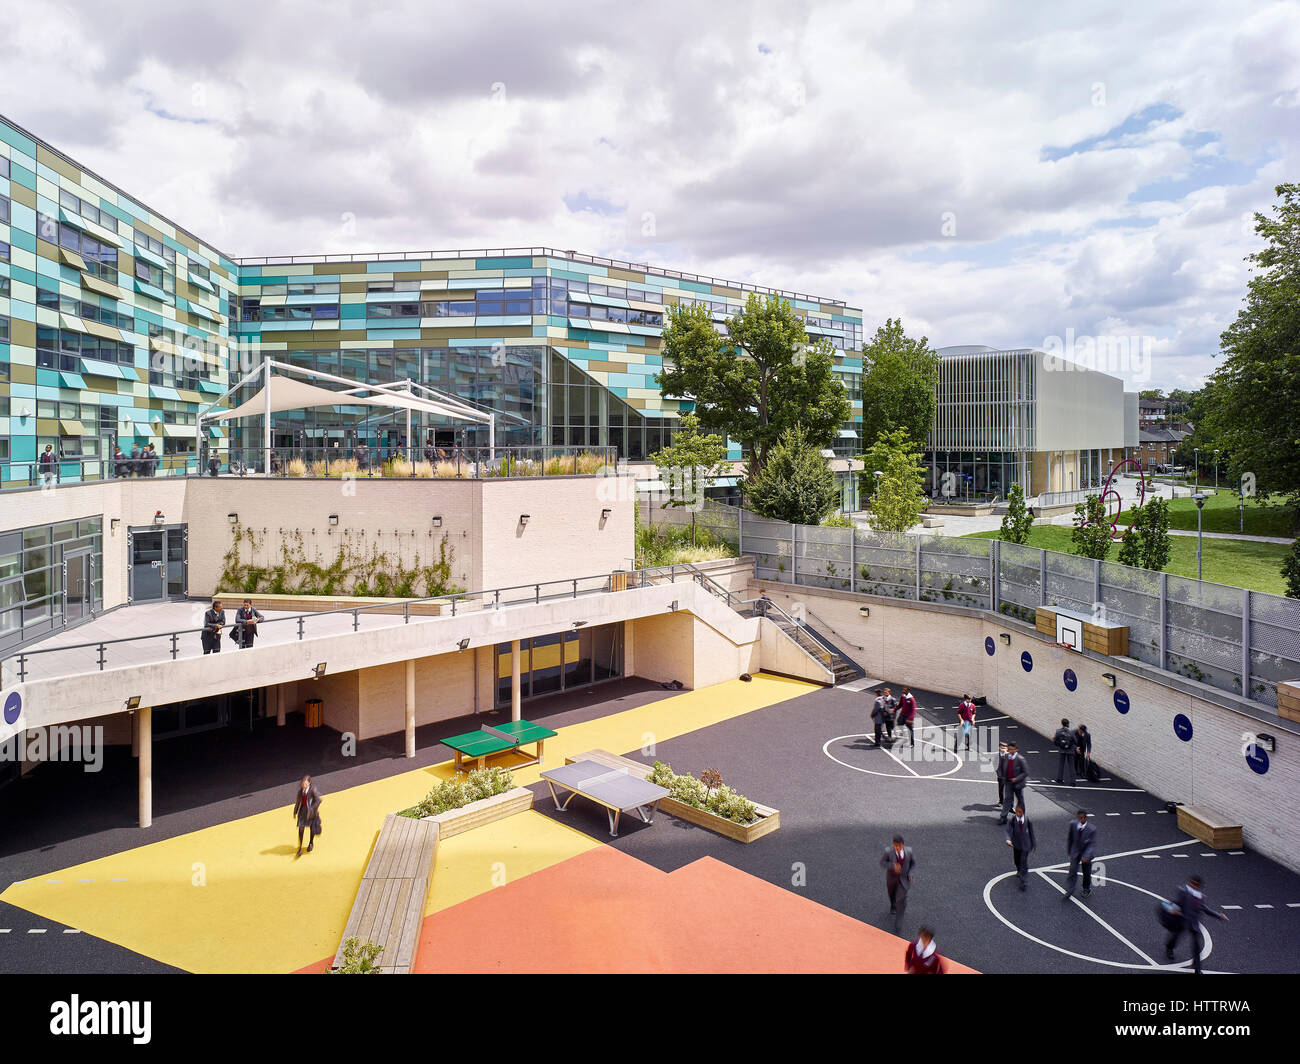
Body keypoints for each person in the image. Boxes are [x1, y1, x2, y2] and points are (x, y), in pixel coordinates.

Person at [1165, 873, 1228, 974]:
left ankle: (1197, 969)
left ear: (1199, 886)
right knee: (1175, 937)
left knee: (1196, 946)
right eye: (1192, 883)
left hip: (1194, 923)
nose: (1194, 885)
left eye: (1196, 884)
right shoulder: (1183, 892)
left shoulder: (1200, 897)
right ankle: (1169, 948)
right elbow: (1177, 903)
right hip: (1182, 920)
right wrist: (1172, 910)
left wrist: (1218, 915)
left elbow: (1205, 909)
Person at [880, 834, 915, 925]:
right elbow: (882, 862)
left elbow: (913, 864)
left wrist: (911, 873)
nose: (897, 848)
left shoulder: (909, 851)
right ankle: (893, 904)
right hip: (891, 878)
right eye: (895, 846)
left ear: (903, 845)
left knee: (902, 897)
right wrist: (892, 865)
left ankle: (900, 912)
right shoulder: (888, 851)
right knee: (891, 894)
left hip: (904, 878)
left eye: (899, 846)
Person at [1063, 809, 1097, 901]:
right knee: (1072, 871)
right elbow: (1070, 838)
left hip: (1086, 855)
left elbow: (1092, 844)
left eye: (1081, 818)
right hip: (1075, 852)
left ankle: (1086, 889)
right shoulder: (1073, 824)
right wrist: (1069, 850)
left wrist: (1086, 856)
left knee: (1086, 873)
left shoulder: (1092, 829)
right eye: (1078, 818)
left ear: (1086, 818)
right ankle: (1070, 890)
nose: (1079, 820)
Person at [1005, 804, 1036, 891]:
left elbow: (1031, 833)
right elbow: (1008, 830)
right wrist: (1008, 839)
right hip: (1016, 844)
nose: (1017, 813)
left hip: (1025, 846)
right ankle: (1019, 870)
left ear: (1023, 812)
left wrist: (1034, 844)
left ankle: (1024, 881)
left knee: (1023, 862)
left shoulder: (1027, 820)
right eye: (1017, 811)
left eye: (1020, 812)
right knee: (1016, 860)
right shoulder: (1013, 820)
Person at [292, 776, 323, 857]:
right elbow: (298, 802)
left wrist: (313, 808)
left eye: (305, 783)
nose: (304, 785)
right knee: (301, 829)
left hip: (311, 813)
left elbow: (319, 800)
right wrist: (295, 812)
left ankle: (311, 843)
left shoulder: (312, 790)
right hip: (302, 812)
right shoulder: (300, 792)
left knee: (311, 829)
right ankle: (300, 847)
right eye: (303, 783)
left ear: (309, 783)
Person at [999, 741, 1029, 824]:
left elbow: (1025, 772)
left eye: (1012, 749)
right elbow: (1002, 767)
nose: (1010, 751)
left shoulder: (1020, 759)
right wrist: (1003, 776)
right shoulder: (1006, 757)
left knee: (1020, 800)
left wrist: (1016, 778)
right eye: (1009, 749)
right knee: (1007, 799)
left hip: (1018, 783)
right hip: (1008, 782)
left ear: (1016, 750)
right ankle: (1003, 817)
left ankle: (1020, 817)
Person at [1053, 717, 1077, 786]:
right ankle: (1073, 781)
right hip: (1070, 750)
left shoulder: (1058, 731)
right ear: (1068, 724)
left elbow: (1055, 741)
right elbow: (1075, 741)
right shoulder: (1071, 732)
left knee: (1061, 765)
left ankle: (1059, 778)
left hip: (1062, 750)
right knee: (1071, 766)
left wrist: (1060, 745)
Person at [995, 741, 1009, 807]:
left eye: (1004, 748)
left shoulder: (1009, 756)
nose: (1002, 749)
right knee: (1001, 789)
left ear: (1007, 749)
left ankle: (1009, 804)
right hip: (1001, 775)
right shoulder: (997, 755)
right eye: (1001, 747)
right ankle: (1001, 801)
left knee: (1009, 790)